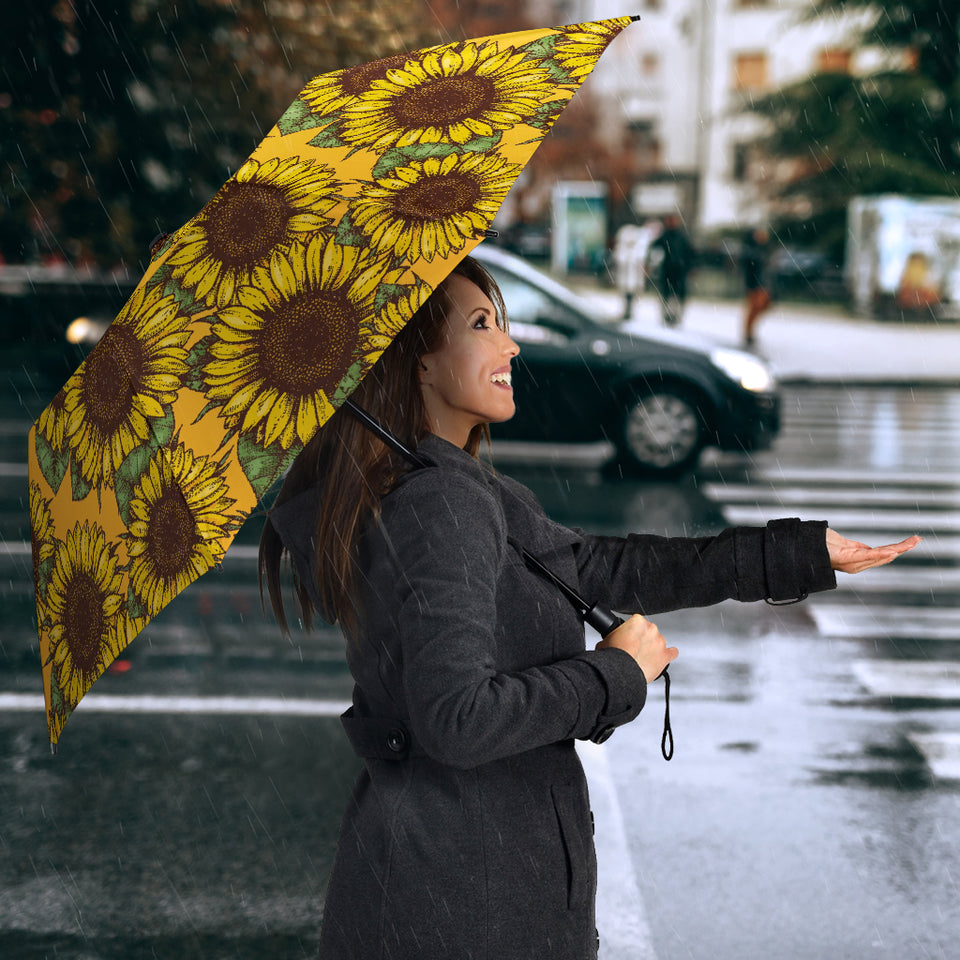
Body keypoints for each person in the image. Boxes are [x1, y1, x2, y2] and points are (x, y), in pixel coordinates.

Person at [259, 256, 919, 960]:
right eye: (482, 325)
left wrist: (794, 554)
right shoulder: (440, 504)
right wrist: (614, 674)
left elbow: (599, 568)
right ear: (418, 361)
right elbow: (457, 719)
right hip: (468, 904)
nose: (511, 345)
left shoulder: (444, 487)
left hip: (448, 884)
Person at [648, 213, 695, 327]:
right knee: (667, 294)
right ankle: (667, 315)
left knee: (677, 295)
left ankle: (675, 316)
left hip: (679, 271)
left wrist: (690, 267)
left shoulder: (681, 237)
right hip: (668, 271)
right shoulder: (665, 236)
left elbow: (690, 253)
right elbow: (654, 249)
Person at [741, 226, 773, 347]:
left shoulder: (762, 249)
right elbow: (750, 266)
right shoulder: (751, 250)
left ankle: (749, 331)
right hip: (754, 284)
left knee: (761, 306)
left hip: (762, 283)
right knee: (754, 308)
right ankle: (748, 333)